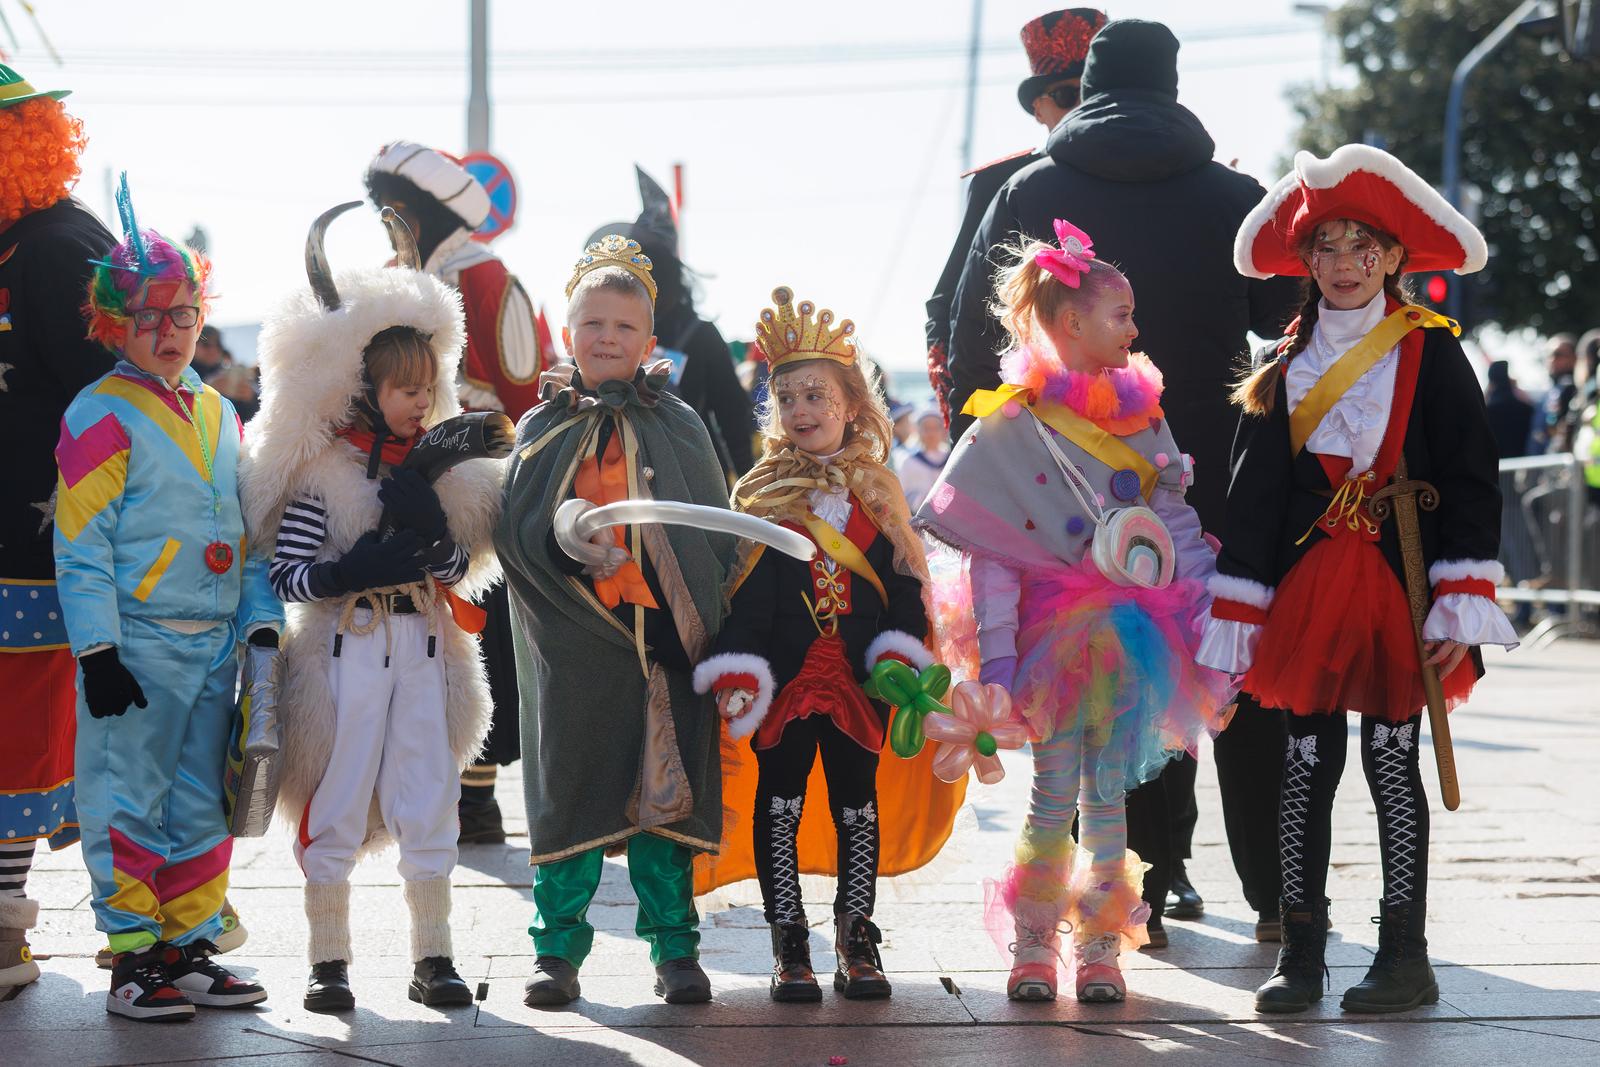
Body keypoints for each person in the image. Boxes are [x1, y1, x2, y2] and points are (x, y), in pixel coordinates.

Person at [946, 19, 1303, 938]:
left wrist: (992, 477)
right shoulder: (1232, 193)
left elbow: (965, 326)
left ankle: (1113, 891)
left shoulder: (1027, 186)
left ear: (1087, 81)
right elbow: (1280, 307)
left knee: (1079, 687)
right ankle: (1275, 895)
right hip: (1201, 470)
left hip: (1054, 490)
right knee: (1217, 667)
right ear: (1174, 84)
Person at [1199, 145, 1520, 1015]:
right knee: (1302, 765)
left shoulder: (1433, 352)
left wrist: (1462, 595)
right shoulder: (1282, 364)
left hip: (1402, 585)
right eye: (1326, 248)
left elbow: (1471, 477)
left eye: (1361, 248)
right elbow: (1252, 493)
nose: (1344, 265)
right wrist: (1242, 602)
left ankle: (1404, 953)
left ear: (1391, 259)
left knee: (1390, 761)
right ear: (1304, 262)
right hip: (1305, 590)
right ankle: (1301, 951)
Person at [916, 220, 1230, 1004]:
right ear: (1070, 324)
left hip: (1135, 637)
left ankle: (1100, 943)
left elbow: (1177, 525)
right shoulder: (1012, 422)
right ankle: (1032, 940)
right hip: (1049, 643)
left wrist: (1211, 618)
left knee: (1109, 797)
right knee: (1053, 793)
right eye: (1121, 313)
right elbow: (994, 556)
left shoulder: (1144, 412)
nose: (1134, 327)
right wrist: (996, 662)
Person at [240, 204, 504, 1013]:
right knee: (338, 793)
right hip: (343, 656)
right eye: (405, 389)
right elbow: (287, 574)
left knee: (431, 794)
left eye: (430, 388)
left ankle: (434, 955)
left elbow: (465, 572)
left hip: (426, 652)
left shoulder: (446, 470)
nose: (422, 403)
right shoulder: (322, 474)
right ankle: (329, 961)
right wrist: (347, 569)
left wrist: (434, 545)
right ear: (365, 387)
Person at [693, 289, 964, 1002]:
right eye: (785, 398)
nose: (801, 410)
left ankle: (857, 935)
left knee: (857, 804)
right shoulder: (761, 493)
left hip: (860, 682)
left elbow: (905, 584)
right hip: (783, 681)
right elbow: (746, 596)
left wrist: (901, 653)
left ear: (852, 403)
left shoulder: (879, 491)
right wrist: (741, 666)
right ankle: (789, 940)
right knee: (778, 801)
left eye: (815, 393)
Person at [54, 179, 282, 1021]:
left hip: (215, 647)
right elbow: (80, 545)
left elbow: (250, 531)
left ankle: (188, 948)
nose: (170, 332)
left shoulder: (223, 411)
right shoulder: (96, 414)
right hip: (137, 651)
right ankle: (133, 957)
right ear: (115, 322)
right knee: (124, 800)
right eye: (149, 316)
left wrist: (261, 623)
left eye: (183, 313)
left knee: (200, 803)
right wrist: (98, 652)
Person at [496, 235, 738, 1008]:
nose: (607, 338)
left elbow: (713, 532)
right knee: (570, 797)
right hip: (576, 648)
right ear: (568, 334)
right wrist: (566, 540)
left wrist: (692, 624)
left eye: (624, 328)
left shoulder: (682, 423)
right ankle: (557, 952)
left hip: (663, 648)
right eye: (593, 324)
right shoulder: (540, 426)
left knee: (664, 807)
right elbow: (516, 527)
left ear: (649, 342)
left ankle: (675, 950)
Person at [366, 141, 550, 844]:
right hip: (403, 479)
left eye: (399, 216)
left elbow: (521, 392)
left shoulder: (490, 277)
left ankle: (476, 793)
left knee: (482, 632)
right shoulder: (396, 279)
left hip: (477, 482)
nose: (391, 231)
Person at [0, 62, 117, 992]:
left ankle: (5, 926)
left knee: (25, 735)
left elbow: (115, 404)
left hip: (35, 552)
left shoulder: (55, 244)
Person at [925, 8, 1106, 426]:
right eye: (1066, 95)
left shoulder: (1160, 174)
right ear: (1038, 110)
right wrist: (974, 425)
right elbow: (949, 305)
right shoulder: (1001, 183)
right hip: (1033, 415)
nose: (1082, 106)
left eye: (1092, 92)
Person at [586, 165, 755, 479]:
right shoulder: (609, 332)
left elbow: (733, 419)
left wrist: (749, 497)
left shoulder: (701, 336)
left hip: (692, 477)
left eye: (650, 262)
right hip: (614, 474)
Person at [1526, 333, 1578, 455]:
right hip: (1539, 463)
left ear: (1574, 358)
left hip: (1559, 464)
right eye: (1548, 355)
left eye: (1558, 354)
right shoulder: (1549, 392)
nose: (1552, 360)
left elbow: (1555, 428)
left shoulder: (1570, 388)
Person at [897, 405, 951, 512]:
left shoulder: (950, 459)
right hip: (920, 515)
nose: (931, 433)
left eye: (935, 428)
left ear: (943, 431)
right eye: (926, 428)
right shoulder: (909, 462)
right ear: (918, 431)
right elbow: (902, 495)